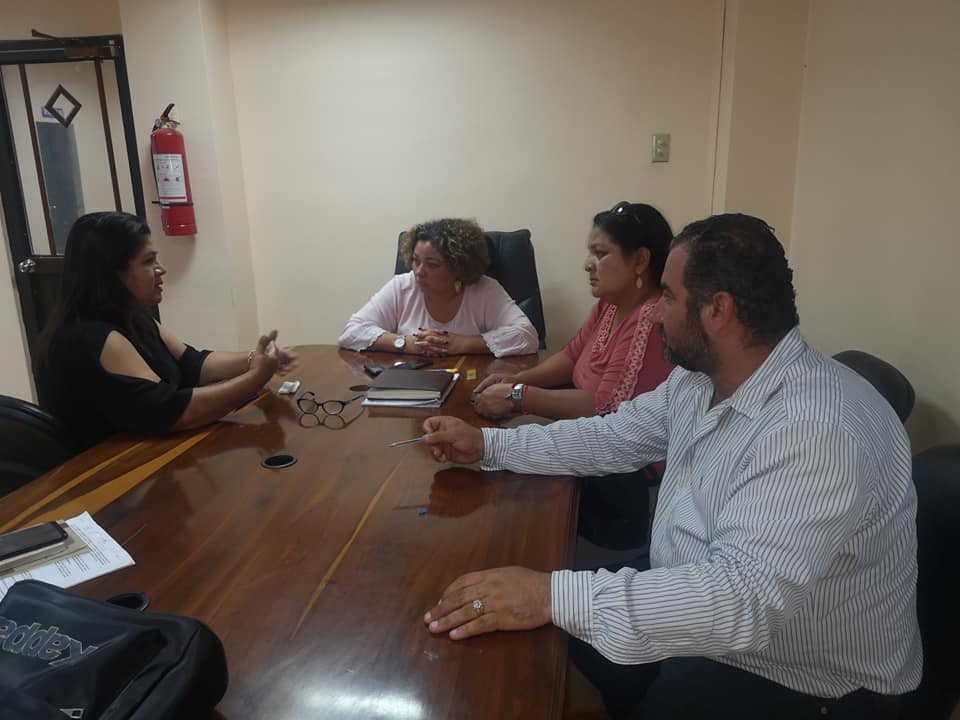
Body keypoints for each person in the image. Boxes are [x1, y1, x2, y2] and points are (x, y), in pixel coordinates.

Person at [418, 214, 921, 719]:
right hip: (701, 598)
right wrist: (488, 446)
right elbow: (613, 436)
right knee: (535, 636)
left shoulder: (816, 428)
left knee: (546, 617)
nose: (656, 313)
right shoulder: (700, 380)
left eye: (669, 297)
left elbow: (741, 601)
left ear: (717, 310)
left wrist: (549, 595)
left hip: (795, 677)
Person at [472, 202, 675, 551]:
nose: (587, 264)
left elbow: (603, 408)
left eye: (601, 253)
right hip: (586, 444)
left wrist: (518, 397)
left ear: (641, 260)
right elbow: (571, 355)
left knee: (508, 501)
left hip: (625, 480)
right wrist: (519, 382)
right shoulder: (610, 304)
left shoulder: (650, 320)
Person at [37, 212, 297, 451]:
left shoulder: (137, 318)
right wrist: (257, 376)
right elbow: (173, 413)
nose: (161, 270)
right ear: (111, 275)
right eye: (148, 261)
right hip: (109, 473)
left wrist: (256, 359)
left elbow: (194, 364)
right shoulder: (92, 337)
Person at [338, 218, 538, 358]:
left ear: (459, 267)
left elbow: (527, 337)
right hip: (410, 385)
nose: (419, 271)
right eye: (416, 261)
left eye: (432, 265)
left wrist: (460, 344)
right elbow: (351, 332)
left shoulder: (485, 289)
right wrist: (405, 343)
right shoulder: (403, 285)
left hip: (471, 382)